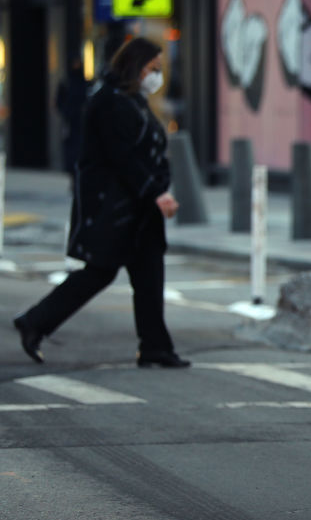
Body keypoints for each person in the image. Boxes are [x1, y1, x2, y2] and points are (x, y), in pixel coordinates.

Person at [13, 36, 190, 369]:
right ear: (136, 66)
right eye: (153, 68)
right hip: (117, 209)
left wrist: (158, 186)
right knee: (99, 273)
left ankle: (155, 347)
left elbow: (148, 151)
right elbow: (123, 158)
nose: (157, 75)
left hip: (139, 210)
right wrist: (157, 191)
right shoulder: (109, 102)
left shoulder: (131, 100)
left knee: (149, 276)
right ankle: (34, 322)